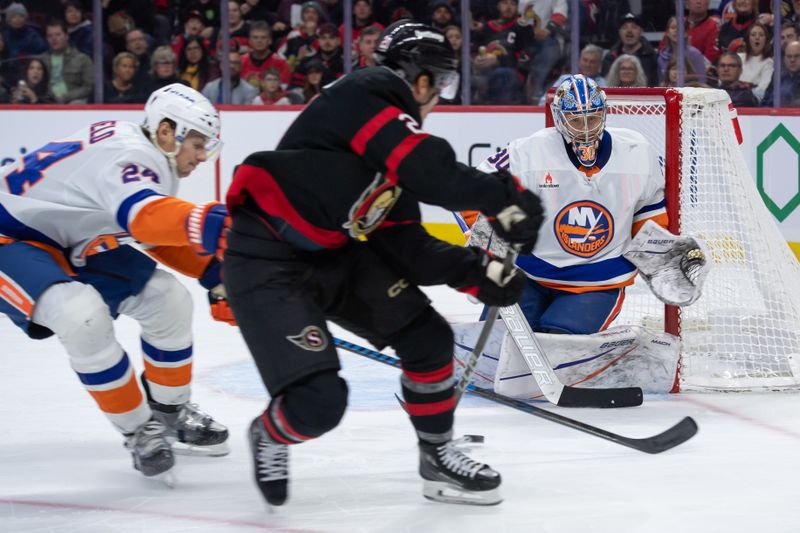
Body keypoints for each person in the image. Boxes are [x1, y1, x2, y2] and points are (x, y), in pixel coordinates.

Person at [223, 20, 543, 507]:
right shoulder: (367, 92)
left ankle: (436, 456)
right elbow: (429, 170)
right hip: (265, 262)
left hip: (334, 256)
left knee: (429, 339)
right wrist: (504, 197)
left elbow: (408, 248)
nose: (439, 99)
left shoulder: (388, 149)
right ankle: (271, 432)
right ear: (421, 81)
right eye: (443, 85)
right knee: (318, 404)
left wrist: (480, 273)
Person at [0, 83, 230, 479]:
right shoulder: (132, 156)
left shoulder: (145, 154)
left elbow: (150, 231)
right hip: (10, 238)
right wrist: (203, 221)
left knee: (167, 298)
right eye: (196, 143)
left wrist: (217, 274)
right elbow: (146, 217)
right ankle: (140, 430)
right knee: (80, 315)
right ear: (165, 131)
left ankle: (170, 412)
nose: (201, 156)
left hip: (66, 239)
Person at [461, 74, 666, 339]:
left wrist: (662, 258)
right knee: (499, 344)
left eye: (591, 118)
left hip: (596, 280)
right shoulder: (528, 152)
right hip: (528, 273)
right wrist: (486, 240)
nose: (585, 128)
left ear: (604, 114)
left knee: (559, 344)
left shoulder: (638, 152)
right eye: (575, 120)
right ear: (559, 118)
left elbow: (650, 215)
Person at [40, 19, 94, 104]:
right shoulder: (41, 60)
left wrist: (66, 96)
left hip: (73, 102)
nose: (54, 39)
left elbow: (89, 87)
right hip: (47, 101)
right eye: (50, 36)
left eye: (58, 35)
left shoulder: (82, 59)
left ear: (66, 36)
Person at [601, 13, 658, 87]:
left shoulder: (652, 57)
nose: (629, 31)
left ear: (641, 31)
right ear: (619, 32)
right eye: (625, 27)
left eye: (634, 27)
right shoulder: (610, 57)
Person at [739, 21, 774, 101]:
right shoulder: (738, 58)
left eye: (761, 35)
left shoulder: (768, 63)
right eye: (753, 35)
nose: (757, 37)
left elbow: (762, 90)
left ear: (766, 40)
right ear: (748, 39)